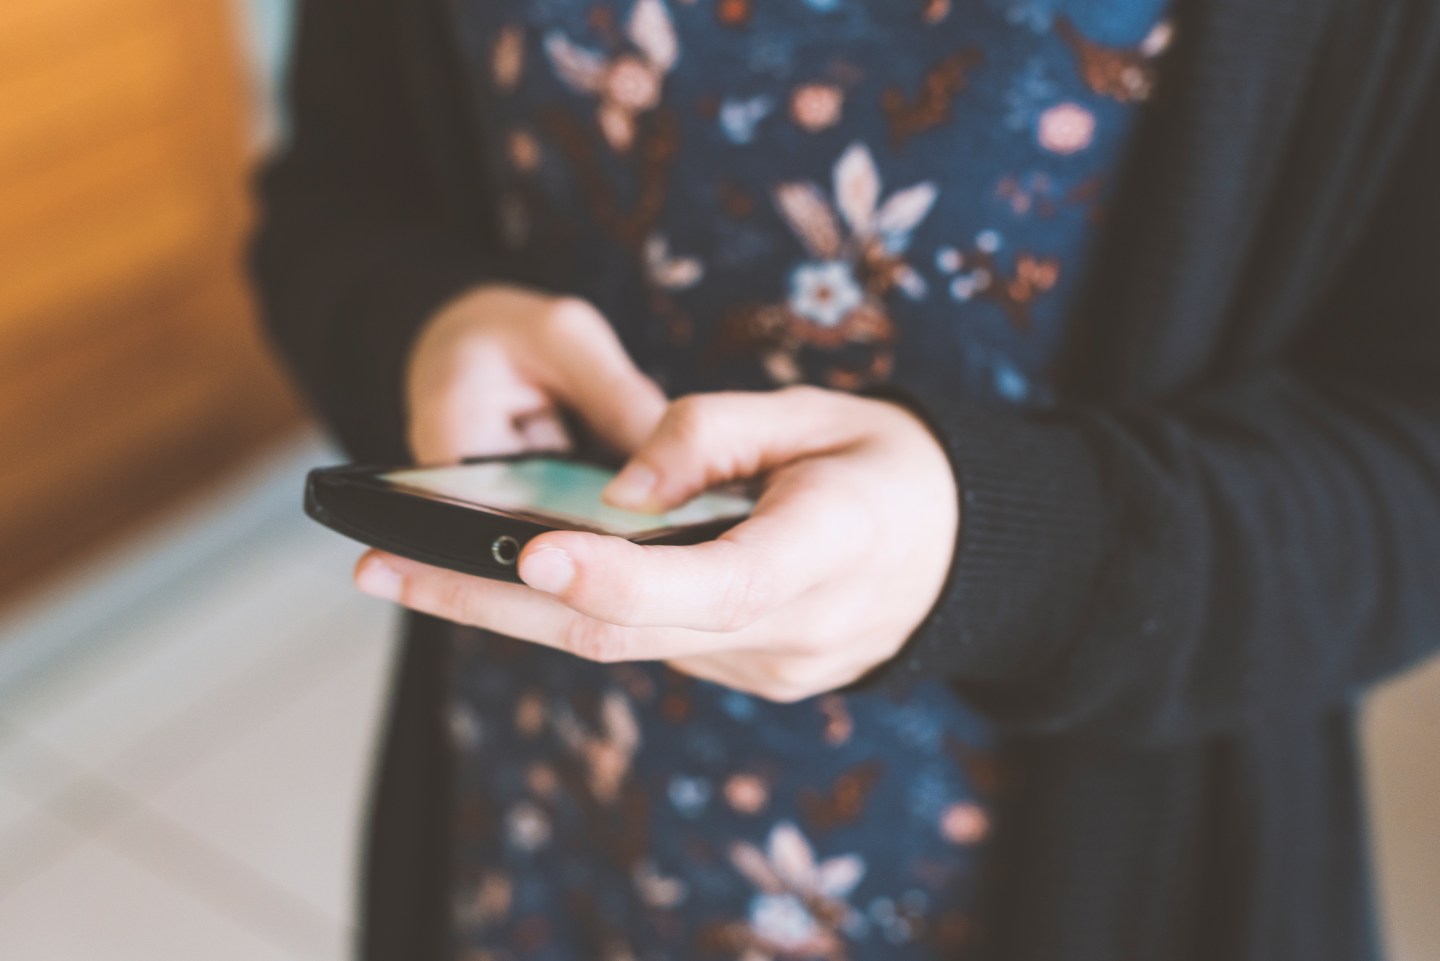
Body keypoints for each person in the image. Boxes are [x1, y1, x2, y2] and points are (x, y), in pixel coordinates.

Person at [250, 0, 1440, 958]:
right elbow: (329, 194)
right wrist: (427, 323)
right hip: (543, 813)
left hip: (1066, 849)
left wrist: (1001, 548)